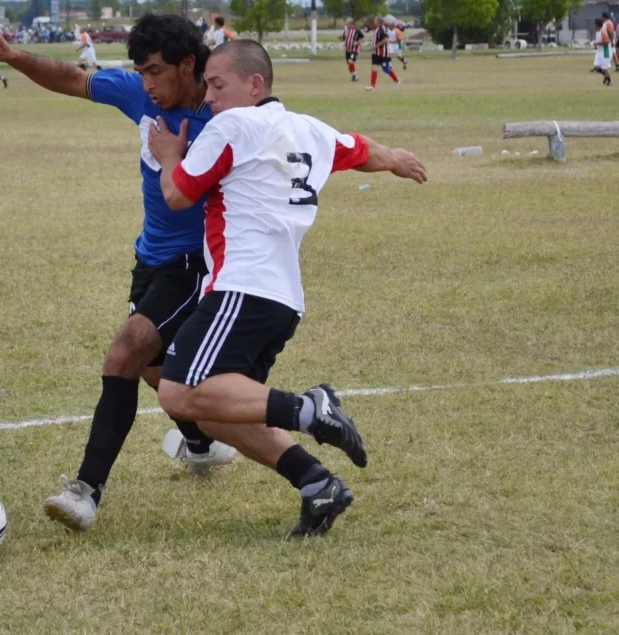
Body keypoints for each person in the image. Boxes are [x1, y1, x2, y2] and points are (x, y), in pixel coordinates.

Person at [0, 15, 332, 534]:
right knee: (156, 372)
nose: (147, 85)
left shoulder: (227, 115)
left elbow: (286, 145)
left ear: (190, 65)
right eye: (140, 72)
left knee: (125, 353)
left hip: (196, 266)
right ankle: (211, 446)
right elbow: (73, 78)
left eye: (156, 72)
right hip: (151, 259)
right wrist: (14, 57)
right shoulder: (141, 94)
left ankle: (85, 492)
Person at [147, 39, 428, 535]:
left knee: (179, 391)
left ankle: (309, 408)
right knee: (218, 416)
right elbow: (360, 149)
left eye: (218, 84)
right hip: (282, 300)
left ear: (254, 85)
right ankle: (317, 484)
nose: (208, 97)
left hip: (241, 286)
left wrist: (171, 154)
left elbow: (176, 193)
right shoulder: (310, 129)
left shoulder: (234, 125)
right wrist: (397, 160)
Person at [367, 16, 400, 91]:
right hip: (375, 53)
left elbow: (386, 39)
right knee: (374, 68)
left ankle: (397, 80)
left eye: (375, 21)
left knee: (385, 69)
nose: (374, 22)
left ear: (378, 22)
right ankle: (373, 86)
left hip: (382, 53)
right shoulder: (377, 29)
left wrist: (375, 46)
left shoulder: (382, 29)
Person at [341, 17, 364, 83]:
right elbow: (344, 38)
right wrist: (344, 43)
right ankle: (354, 76)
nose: (346, 25)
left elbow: (362, 38)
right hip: (347, 49)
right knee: (349, 64)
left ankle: (354, 76)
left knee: (350, 61)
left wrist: (357, 42)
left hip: (354, 49)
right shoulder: (346, 30)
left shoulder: (356, 30)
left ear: (351, 24)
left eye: (347, 23)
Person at [592, 18, 612, 87]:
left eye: (594, 24)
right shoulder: (597, 32)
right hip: (599, 52)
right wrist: (595, 45)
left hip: (605, 52)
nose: (594, 26)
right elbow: (597, 41)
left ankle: (609, 80)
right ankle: (606, 76)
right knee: (596, 67)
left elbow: (607, 41)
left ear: (597, 25)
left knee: (604, 68)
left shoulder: (603, 32)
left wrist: (597, 44)